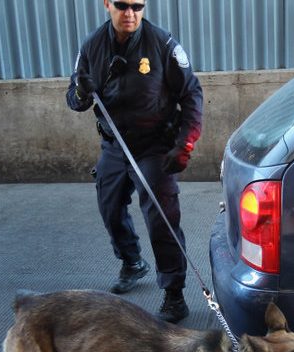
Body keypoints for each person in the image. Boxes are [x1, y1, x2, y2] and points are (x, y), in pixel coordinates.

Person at [66, 0, 203, 323]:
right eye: (122, 5)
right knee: (110, 207)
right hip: (115, 145)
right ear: (107, 5)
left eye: (138, 5)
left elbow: (192, 94)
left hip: (154, 146)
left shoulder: (162, 44)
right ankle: (131, 261)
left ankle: (174, 294)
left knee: (161, 218)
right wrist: (82, 93)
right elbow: (73, 100)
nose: (130, 13)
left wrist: (185, 144)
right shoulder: (92, 47)